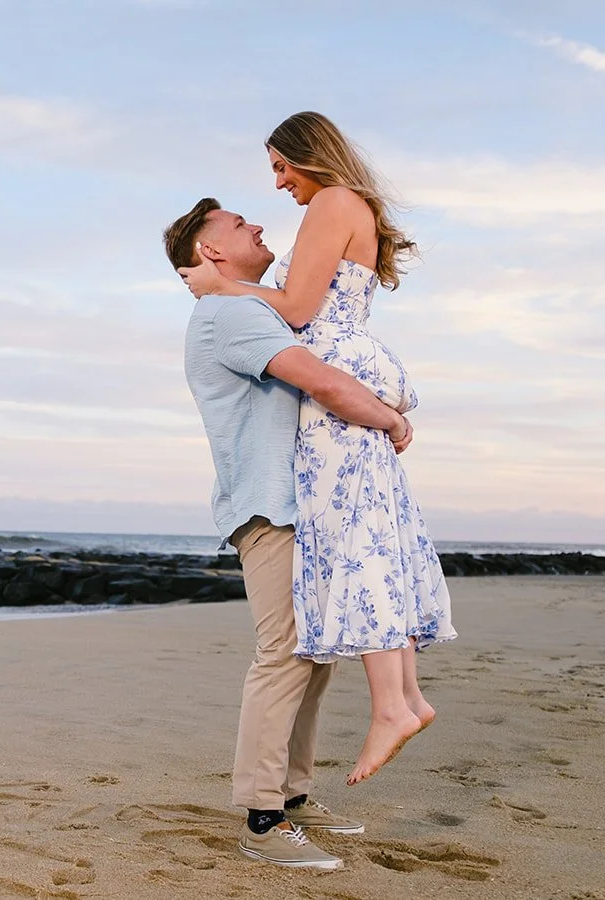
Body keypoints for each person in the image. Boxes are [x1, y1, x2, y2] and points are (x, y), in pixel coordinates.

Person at [178, 111, 456, 788]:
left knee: (361, 555)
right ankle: (285, 792)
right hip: (275, 492)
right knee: (355, 568)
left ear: (310, 157)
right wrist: (384, 416)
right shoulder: (231, 313)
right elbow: (306, 332)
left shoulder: (330, 204)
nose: (277, 190)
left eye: (280, 167)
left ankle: (376, 721)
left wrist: (228, 282)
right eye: (272, 172)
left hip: (329, 406)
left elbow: (301, 314)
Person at [164, 198, 411, 870]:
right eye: (240, 225)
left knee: (315, 654)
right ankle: (261, 817)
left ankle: (294, 795)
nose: (258, 226)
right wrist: (389, 418)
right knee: (286, 653)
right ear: (211, 251)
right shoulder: (228, 315)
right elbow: (320, 379)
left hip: (300, 505)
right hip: (271, 507)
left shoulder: (245, 304)